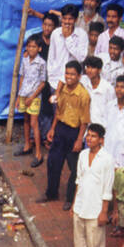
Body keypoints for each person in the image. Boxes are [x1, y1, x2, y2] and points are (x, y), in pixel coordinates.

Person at [66, 123, 114, 247]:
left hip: (96, 208)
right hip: (80, 204)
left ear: (101, 140)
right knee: (79, 239)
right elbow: (78, 180)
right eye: (88, 135)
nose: (89, 138)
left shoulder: (107, 159)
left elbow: (108, 188)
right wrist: (74, 204)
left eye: (93, 136)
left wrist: (104, 212)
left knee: (96, 243)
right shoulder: (83, 155)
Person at [41, 60, 90, 208]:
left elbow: (84, 121)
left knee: (74, 169)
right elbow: (59, 111)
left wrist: (79, 139)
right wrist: (52, 129)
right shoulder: (62, 89)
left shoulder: (83, 95)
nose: (69, 77)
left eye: (72, 74)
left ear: (79, 76)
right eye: (67, 73)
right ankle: (51, 193)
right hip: (60, 129)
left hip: (74, 132)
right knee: (53, 162)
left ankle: (69, 198)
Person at [15, 33, 47, 166]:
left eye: (34, 47)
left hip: (34, 97)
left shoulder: (42, 63)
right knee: (26, 120)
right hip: (24, 95)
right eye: (29, 46)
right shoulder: (25, 60)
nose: (31, 49)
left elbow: (42, 83)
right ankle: (27, 145)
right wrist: (19, 96)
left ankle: (39, 154)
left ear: (39, 48)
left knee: (34, 124)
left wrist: (32, 97)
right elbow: (21, 77)